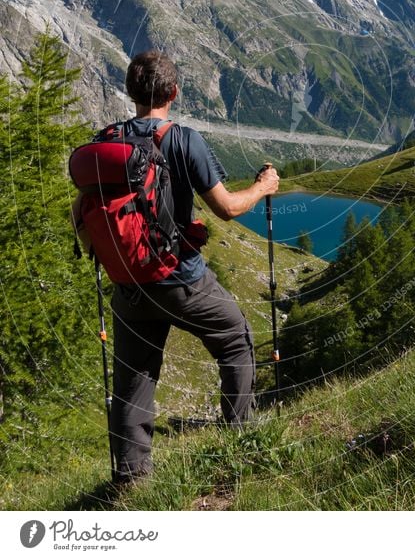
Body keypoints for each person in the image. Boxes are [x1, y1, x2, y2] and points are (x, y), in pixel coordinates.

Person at [80, 50, 279, 484]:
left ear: (131, 93)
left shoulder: (106, 140)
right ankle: (239, 441)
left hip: (127, 284)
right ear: (173, 93)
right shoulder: (184, 139)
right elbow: (226, 208)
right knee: (236, 340)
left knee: (134, 381)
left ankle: (131, 483)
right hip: (180, 279)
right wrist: (263, 187)